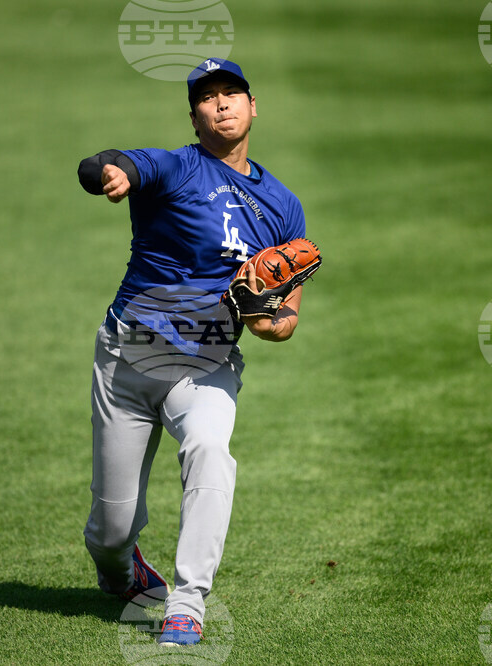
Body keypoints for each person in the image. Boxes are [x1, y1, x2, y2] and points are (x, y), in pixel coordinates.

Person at [77, 57, 307, 646]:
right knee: (110, 531)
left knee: (209, 448)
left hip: (205, 368)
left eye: (233, 93)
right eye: (208, 97)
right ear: (194, 114)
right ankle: (120, 570)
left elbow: (284, 320)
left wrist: (264, 320)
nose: (222, 103)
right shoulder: (175, 168)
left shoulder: (283, 206)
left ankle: (187, 603)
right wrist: (111, 175)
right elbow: (106, 162)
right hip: (127, 362)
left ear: (254, 107)